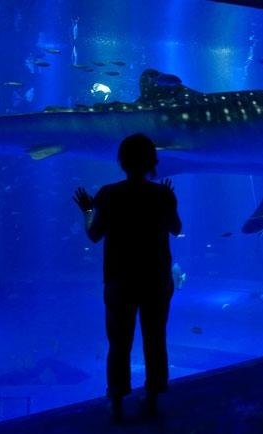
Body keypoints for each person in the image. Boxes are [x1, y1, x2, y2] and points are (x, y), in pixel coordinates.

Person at [73, 133, 182, 421]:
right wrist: (171, 201)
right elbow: (176, 228)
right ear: (152, 162)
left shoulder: (109, 194)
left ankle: (118, 404)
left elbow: (94, 235)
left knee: (119, 343)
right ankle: (153, 399)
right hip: (156, 279)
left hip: (120, 280)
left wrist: (87, 211)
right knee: (155, 339)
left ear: (121, 161)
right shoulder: (161, 194)